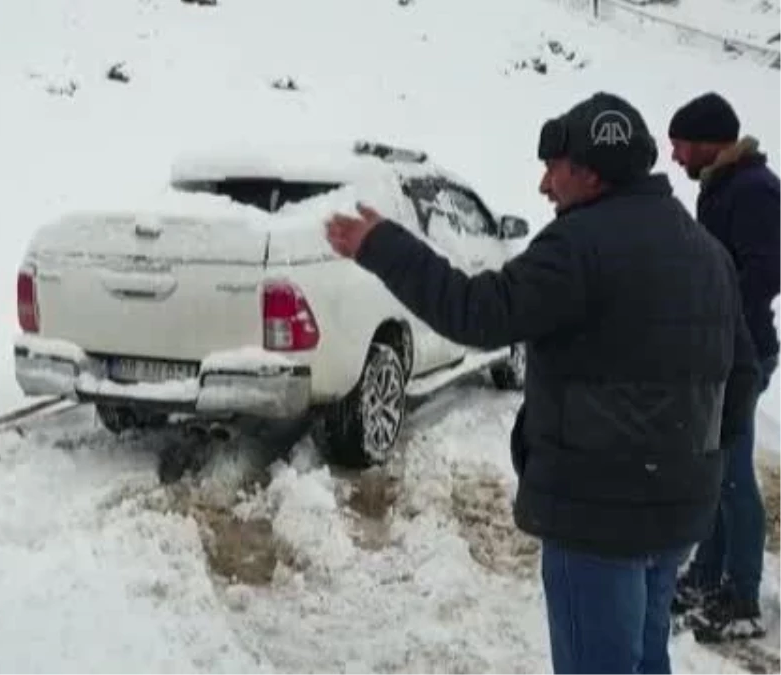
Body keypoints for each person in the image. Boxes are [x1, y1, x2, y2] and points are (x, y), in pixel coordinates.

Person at [324, 92, 759, 675]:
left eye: (554, 168)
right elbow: (743, 376)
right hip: (678, 509)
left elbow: (477, 314)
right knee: (645, 659)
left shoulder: (576, 247)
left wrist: (382, 245)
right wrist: (693, 460)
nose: (543, 185)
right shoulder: (704, 251)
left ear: (589, 172)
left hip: (597, 516)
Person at [667, 91, 781, 642]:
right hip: (718, 352)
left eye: (680, 145)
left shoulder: (754, 190)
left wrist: (716, 309)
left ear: (710, 142)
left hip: (744, 353)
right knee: (713, 469)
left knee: (732, 474)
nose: (674, 157)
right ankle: (707, 575)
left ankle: (742, 596)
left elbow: (764, 273)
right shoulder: (725, 186)